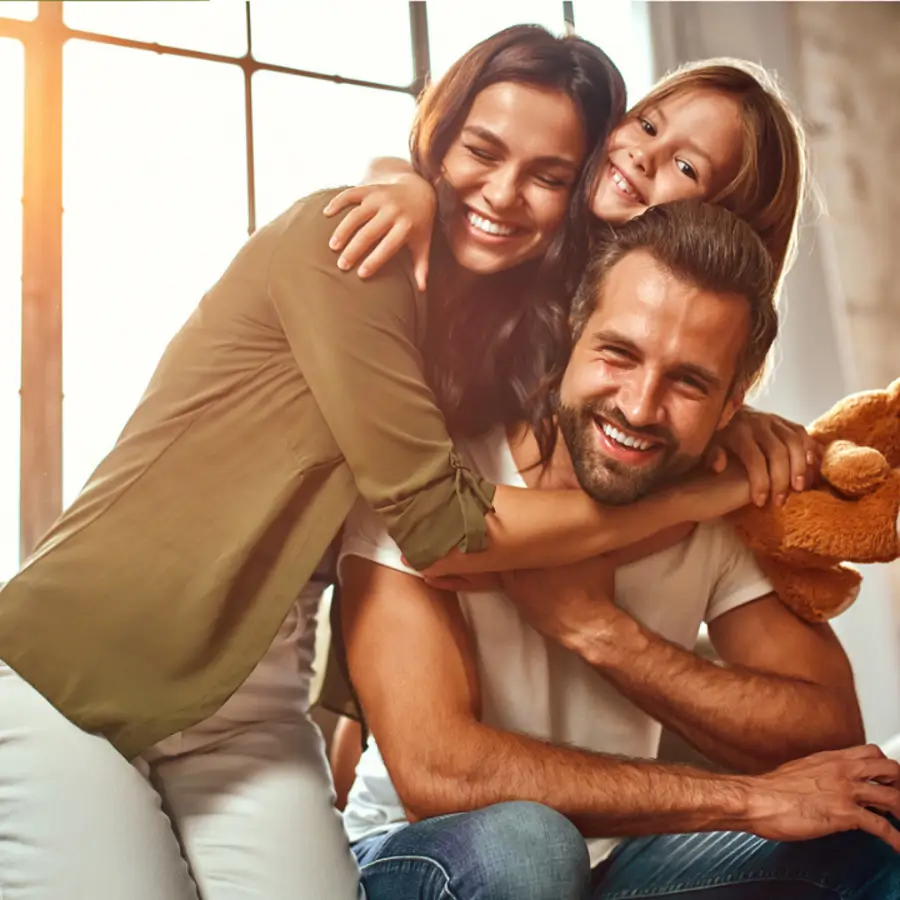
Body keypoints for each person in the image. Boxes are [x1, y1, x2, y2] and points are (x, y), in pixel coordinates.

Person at [0, 26, 774, 900]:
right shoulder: (347, 247)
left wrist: (732, 436)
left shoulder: (508, 333)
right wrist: (689, 501)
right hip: (77, 669)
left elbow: (640, 349)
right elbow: (441, 528)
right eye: (479, 151)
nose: (506, 193)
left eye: (549, 176)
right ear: (438, 138)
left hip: (248, 711)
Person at [337, 200, 900, 900]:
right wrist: (747, 800)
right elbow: (440, 774)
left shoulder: (719, 503)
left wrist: (601, 632)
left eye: (689, 381)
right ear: (573, 332)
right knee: (530, 846)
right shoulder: (432, 486)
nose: (638, 406)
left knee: (876, 821)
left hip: (624, 862)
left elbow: (824, 731)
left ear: (734, 404)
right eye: (619, 353)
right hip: (420, 857)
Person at [324, 55, 817, 512]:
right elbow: (396, 168)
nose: (644, 155)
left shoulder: (642, 393)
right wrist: (409, 188)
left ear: (720, 224)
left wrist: (731, 421)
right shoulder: (537, 217)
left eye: (685, 167)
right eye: (646, 125)